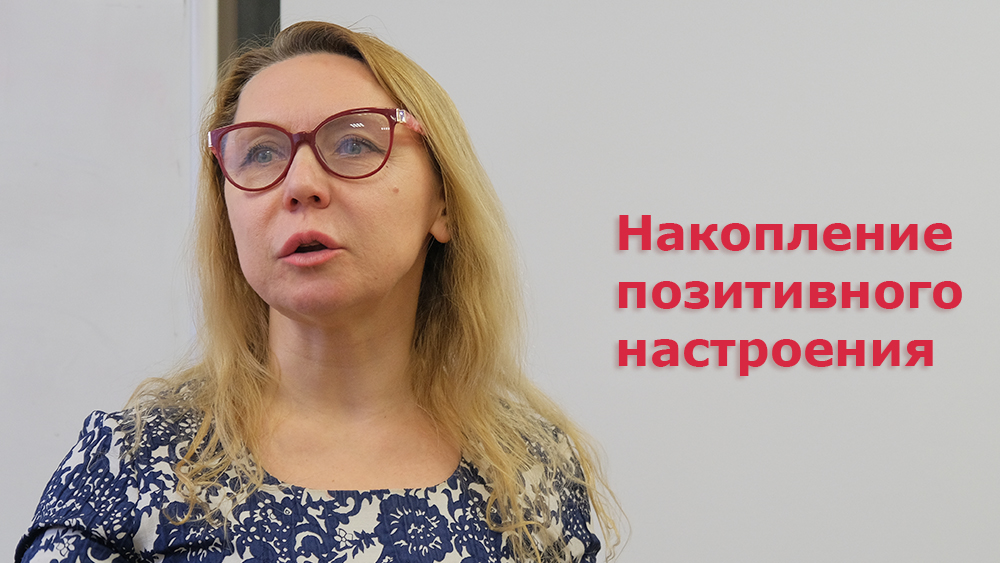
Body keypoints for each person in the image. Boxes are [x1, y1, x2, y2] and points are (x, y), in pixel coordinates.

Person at [17, 21, 621, 563]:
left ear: (442, 200)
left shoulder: (530, 470)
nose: (300, 184)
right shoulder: (129, 465)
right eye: (260, 153)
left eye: (354, 143)